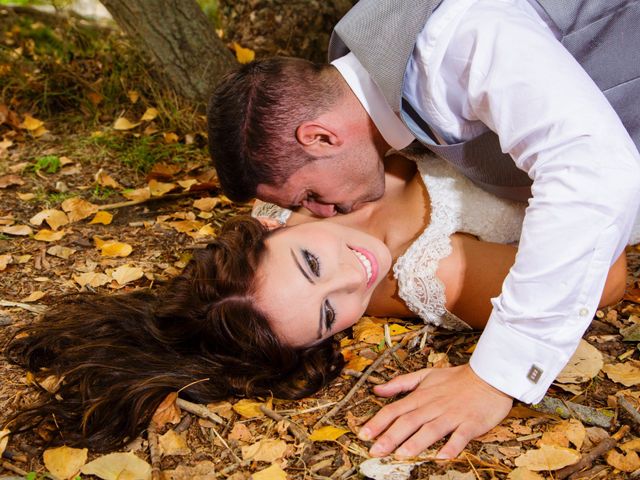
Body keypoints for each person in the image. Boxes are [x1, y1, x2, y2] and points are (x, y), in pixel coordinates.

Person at [207, 0, 640, 459]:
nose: (323, 211)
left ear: (320, 136)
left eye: (309, 196)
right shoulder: (381, 75)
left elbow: (590, 166)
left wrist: (495, 376)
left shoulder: (450, 40)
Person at [6, 152, 633, 452]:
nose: (352, 278)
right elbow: (603, 277)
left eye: (311, 264)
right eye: (331, 315)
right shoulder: (428, 274)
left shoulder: (291, 183)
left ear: (274, 226)